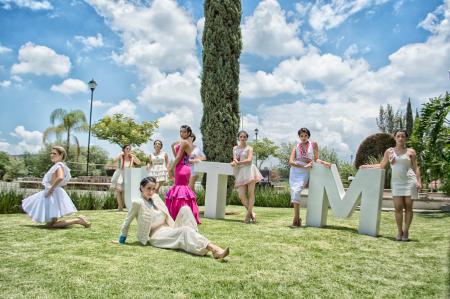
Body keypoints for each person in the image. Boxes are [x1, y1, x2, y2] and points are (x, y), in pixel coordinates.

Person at [114, 177, 229, 259]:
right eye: (148, 188)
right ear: (141, 188)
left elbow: (167, 214)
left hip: (170, 228)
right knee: (185, 230)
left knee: (185, 209)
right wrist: (121, 240)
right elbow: (127, 221)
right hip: (157, 236)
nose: (151, 191)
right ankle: (215, 249)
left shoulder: (156, 198)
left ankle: (193, 239)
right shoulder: (138, 203)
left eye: (153, 189)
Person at [360, 130, 421, 241]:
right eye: (398, 136)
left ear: (406, 138)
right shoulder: (390, 151)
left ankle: (406, 231)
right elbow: (382, 165)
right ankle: (399, 231)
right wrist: (367, 166)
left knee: (408, 207)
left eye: (403, 136)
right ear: (395, 138)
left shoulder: (411, 151)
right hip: (397, 183)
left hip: (410, 181)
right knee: (398, 208)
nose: (401, 138)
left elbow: (416, 167)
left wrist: (418, 181)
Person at [22, 146, 90, 228]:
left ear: (61, 155)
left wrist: (51, 189)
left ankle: (78, 220)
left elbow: (60, 177)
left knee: (52, 225)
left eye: (54, 153)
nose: (51, 155)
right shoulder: (58, 165)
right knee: (51, 224)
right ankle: (78, 220)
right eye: (51, 153)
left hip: (53, 193)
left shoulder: (58, 165)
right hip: (55, 193)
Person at [289, 128, 331, 227]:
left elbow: (315, 159)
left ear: (308, 136)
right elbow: (291, 161)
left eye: (305, 136)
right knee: (294, 191)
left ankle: (296, 218)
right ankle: (297, 217)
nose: (303, 138)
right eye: (301, 136)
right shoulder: (296, 147)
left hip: (306, 171)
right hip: (295, 170)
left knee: (297, 190)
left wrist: (323, 162)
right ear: (299, 137)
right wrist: (302, 165)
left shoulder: (313, 144)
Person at [165, 125, 201, 224]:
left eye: (184, 132)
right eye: (180, 132)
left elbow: (178, 158)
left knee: (181, 192)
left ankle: (180, 215)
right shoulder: (184, 142)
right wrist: (173, 146)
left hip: (182, 169)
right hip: (181, 167)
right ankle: (183, 215)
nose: (182, 134)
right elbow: (177, 156)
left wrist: (170, 169)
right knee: (181, 192)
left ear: (189, 133)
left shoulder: (185, 142)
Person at [231, 130, 263, 223]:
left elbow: (249, 160)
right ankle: (252, 213)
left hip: (249, 171)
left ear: (247, 138)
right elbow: (235, 159)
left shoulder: (249, 148)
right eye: (241, 137)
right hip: (241, 172)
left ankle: (248, 215)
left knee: (250, 194)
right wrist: (233, 163)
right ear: (238, 138)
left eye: (244, 137)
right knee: (241, 195)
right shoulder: (235, 148)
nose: (242, 138)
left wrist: (238, 162)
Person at [110, 144, 141, 211]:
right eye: (127, 148)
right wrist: (119, 155)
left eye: (129, 149)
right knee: (118, 190)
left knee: (125, 191)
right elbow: (114, 160)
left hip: (127, 174)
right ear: (124, 149)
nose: (128, 150)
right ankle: (120, 207)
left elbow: (139, 163)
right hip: (120, 173)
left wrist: (134, 156)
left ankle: (121, 207)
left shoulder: (131, 157)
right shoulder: (121, 155)